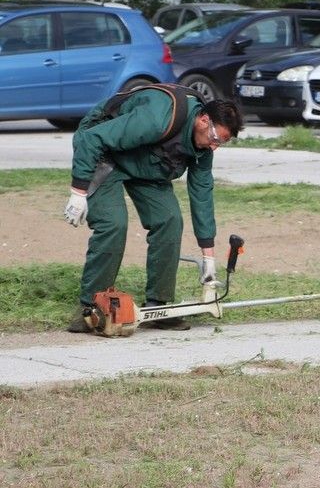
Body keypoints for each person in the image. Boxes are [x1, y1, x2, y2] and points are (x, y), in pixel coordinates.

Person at [64, 85, 245, 332]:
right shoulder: (157, 120)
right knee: (113, 224)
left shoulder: (202, 147)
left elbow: (202, 195)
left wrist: (208, 256)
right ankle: (91, 308)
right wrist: (78, 192)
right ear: (203, 120)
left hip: (146, 162)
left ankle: (158, 306)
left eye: (221, 143)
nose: (214, 147)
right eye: (215, 139)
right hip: (105, 153)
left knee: (169, 220)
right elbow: (92, 138)